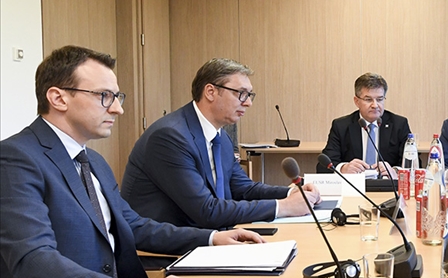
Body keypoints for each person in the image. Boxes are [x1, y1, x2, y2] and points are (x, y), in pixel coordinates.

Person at [0, 46, 264, 278]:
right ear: (58, 98)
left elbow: (134, 226)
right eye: (104, 96)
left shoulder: (91, 160)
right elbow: (33, 260)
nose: (118, 108)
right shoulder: (16, 159)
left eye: (117, 96)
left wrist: (212, 238)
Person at [122, 58, 320, 230]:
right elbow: (206, 210)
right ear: (210, 92)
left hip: (209, 236)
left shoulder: (221, 137)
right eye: (241, 93)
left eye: (249, 95)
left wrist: (292, 193)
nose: (248, 103)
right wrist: (283, 206)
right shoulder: (170, 137)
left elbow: (244, 189)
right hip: (169, 249)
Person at [318, 73, 412, 176]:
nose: (375, 105)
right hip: (353, 184)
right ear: (357, 101)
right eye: (368, 99)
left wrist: (395, 171)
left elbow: (413, 165)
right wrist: (343, 169)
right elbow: (322, 167)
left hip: (386, 184)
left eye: (380, 99)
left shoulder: (399, 125)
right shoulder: (341, 126)